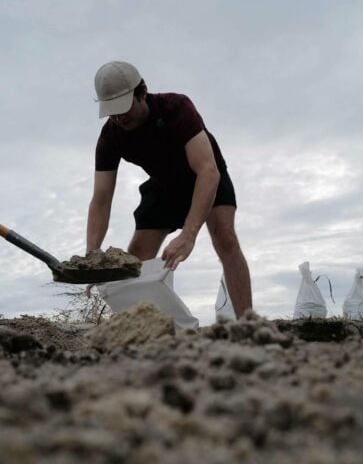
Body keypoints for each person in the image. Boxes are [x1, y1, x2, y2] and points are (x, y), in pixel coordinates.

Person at [87, 61, 253, 318]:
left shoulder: (175, 108)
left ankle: (248, 323)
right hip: (164, 185)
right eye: (111, 111)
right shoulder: (111, 136)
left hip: (204, 175)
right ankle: (136, 328)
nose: (119, 117)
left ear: (142, 92)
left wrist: (188, 234)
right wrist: (92, 256)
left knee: (226, 239)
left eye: (123, 108)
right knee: (136, 259)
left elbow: (208, 171)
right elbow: (101, 200)